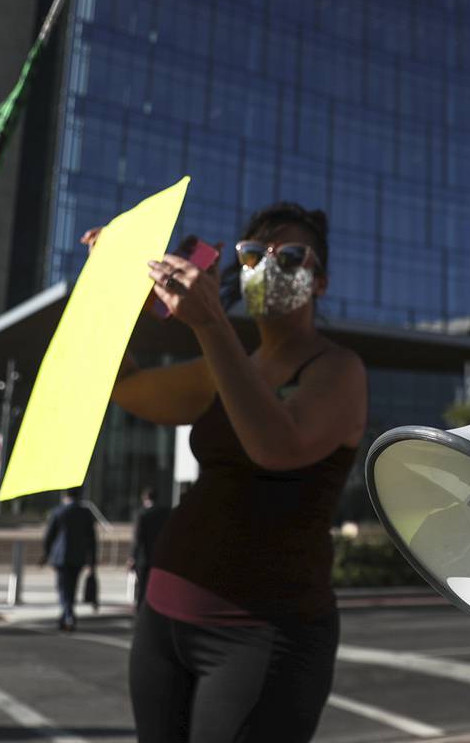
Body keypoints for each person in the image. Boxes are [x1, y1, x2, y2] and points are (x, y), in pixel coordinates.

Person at [88, 202, 366, 743]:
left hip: (260, 635)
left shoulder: (337, 369)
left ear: (320, 281)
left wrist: (211, 322)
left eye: (289, 256)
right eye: (252, 254)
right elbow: (126, 389)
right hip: (163, 619)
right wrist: (112, 292)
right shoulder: (231, 363)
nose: (267, 267)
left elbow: (278, 446)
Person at [40, 486, 97, 632]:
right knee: (72, 587)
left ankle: (68, 614)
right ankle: (66, 614)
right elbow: (92, 539)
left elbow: (49, 536)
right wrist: (92, 561)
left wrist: (46, 554)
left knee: (63, 588)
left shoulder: (58, 511)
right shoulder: (85, 513)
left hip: (61, 557)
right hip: (78, 557)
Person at [129, 486, 171, 607]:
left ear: (144, 498)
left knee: (142, 588)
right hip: (160, 557)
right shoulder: (166, 513)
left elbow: (138, 539)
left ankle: (141, 614)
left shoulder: (142, 514)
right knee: (157, 588)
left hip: (143, 558)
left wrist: (132, 557)